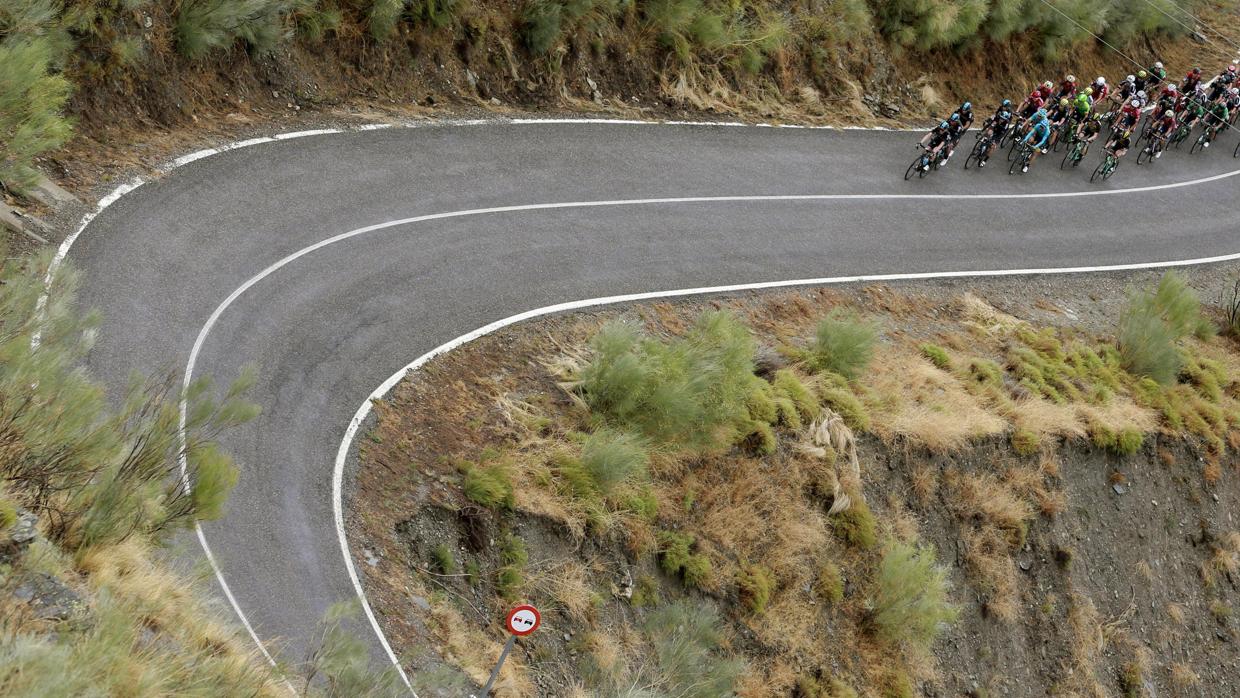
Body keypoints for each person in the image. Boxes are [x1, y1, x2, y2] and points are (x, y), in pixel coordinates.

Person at [977, 100, 1015, 167]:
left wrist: (995, 141)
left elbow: (1001, 135)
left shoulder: (1006, 123)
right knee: (989, 132)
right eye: (1001, 118)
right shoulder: (998, 116)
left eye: (1003, 119)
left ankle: (985, 160)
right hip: (995, 127)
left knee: (992, 147)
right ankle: (983, 141)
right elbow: (992, 119)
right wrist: (983, 129)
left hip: (1000, 133)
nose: (1001, 120)